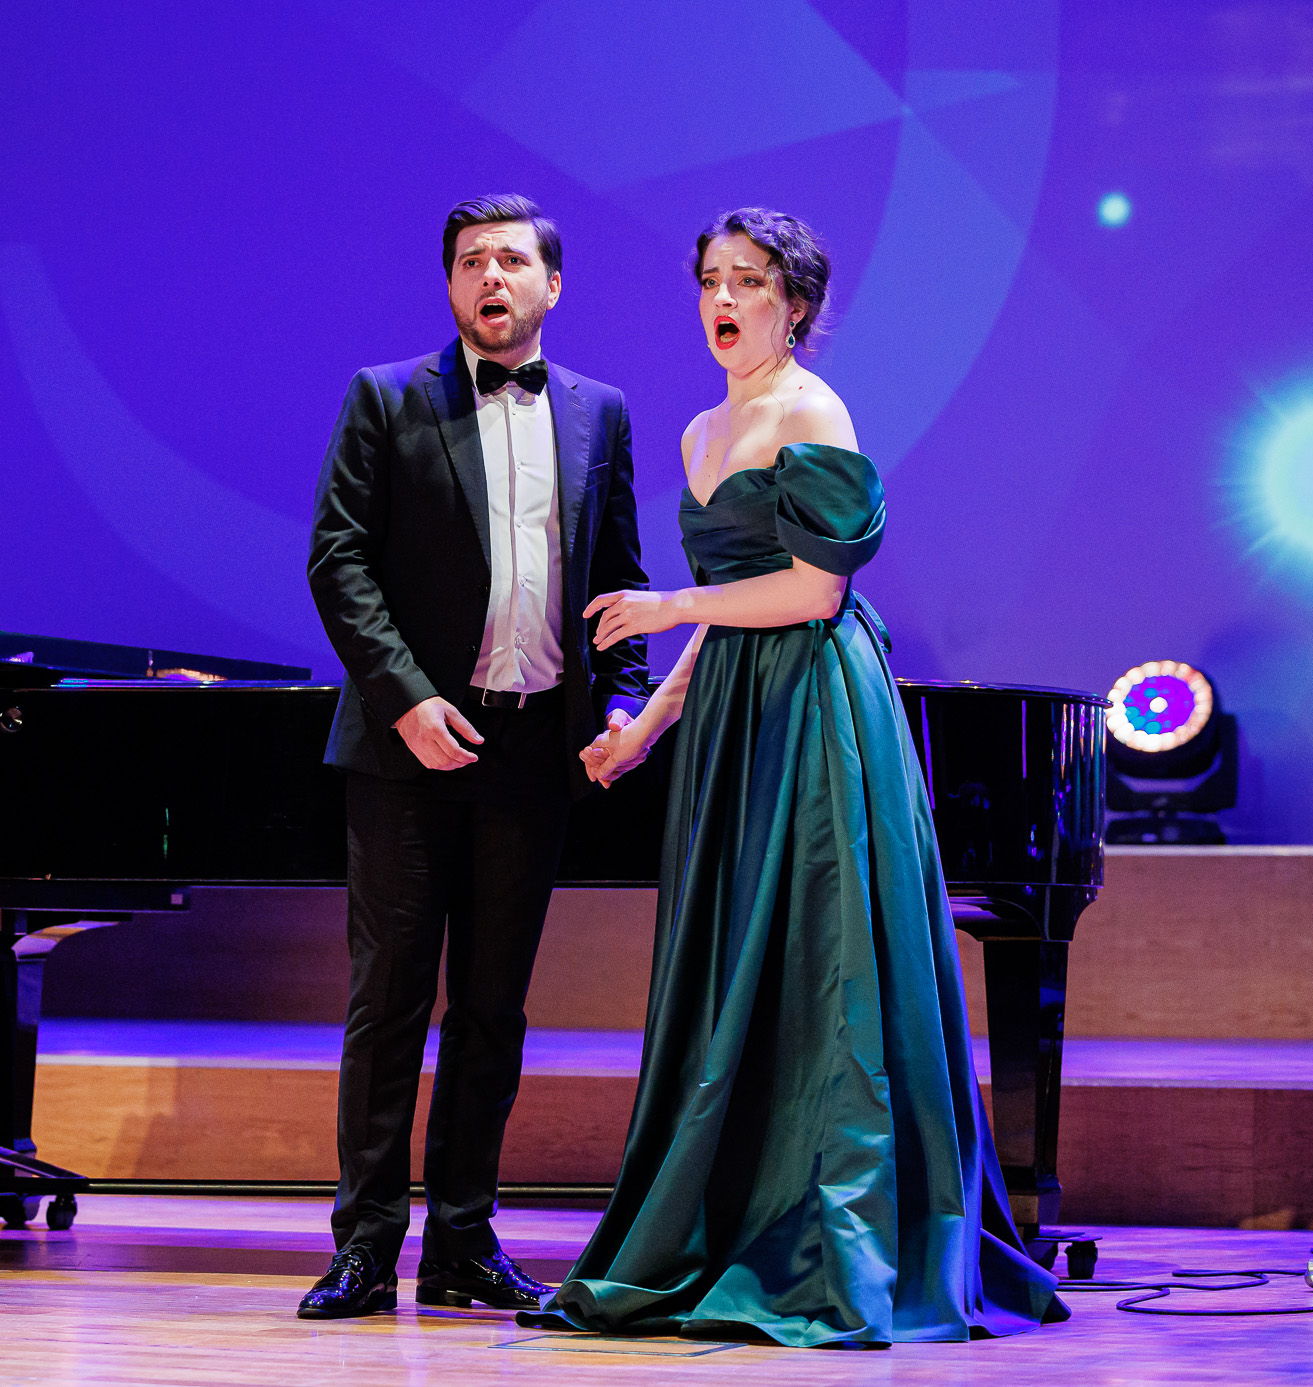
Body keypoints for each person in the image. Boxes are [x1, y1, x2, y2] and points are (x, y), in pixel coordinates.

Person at [533, 210, 1066, 1345]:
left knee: (825, 959)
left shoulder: (812, 410)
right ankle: (728, 1219)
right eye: (710, 280)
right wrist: (647, 725)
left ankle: (834, 1241)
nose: (724, 300)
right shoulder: (699, 430)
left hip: (816, 709)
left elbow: (813, 591)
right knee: (739, 964)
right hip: (733, 714)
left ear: (797, 304)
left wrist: (667, 605)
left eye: (750, 281)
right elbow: (726, 618)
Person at [302, 194, 652, 1319]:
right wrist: (406, 700)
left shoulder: (600, 412)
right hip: (408, 750)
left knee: (493, 1009)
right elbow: (338, 559)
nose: (488, 276)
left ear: (553, 284)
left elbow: (620, 580)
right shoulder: (386, 396)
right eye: (468, 261)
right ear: (450, 284)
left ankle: (462, 1243)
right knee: (389, 1001)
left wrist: (625, 699)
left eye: (509, 259)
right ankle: (365, 1246)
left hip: (532, 748)